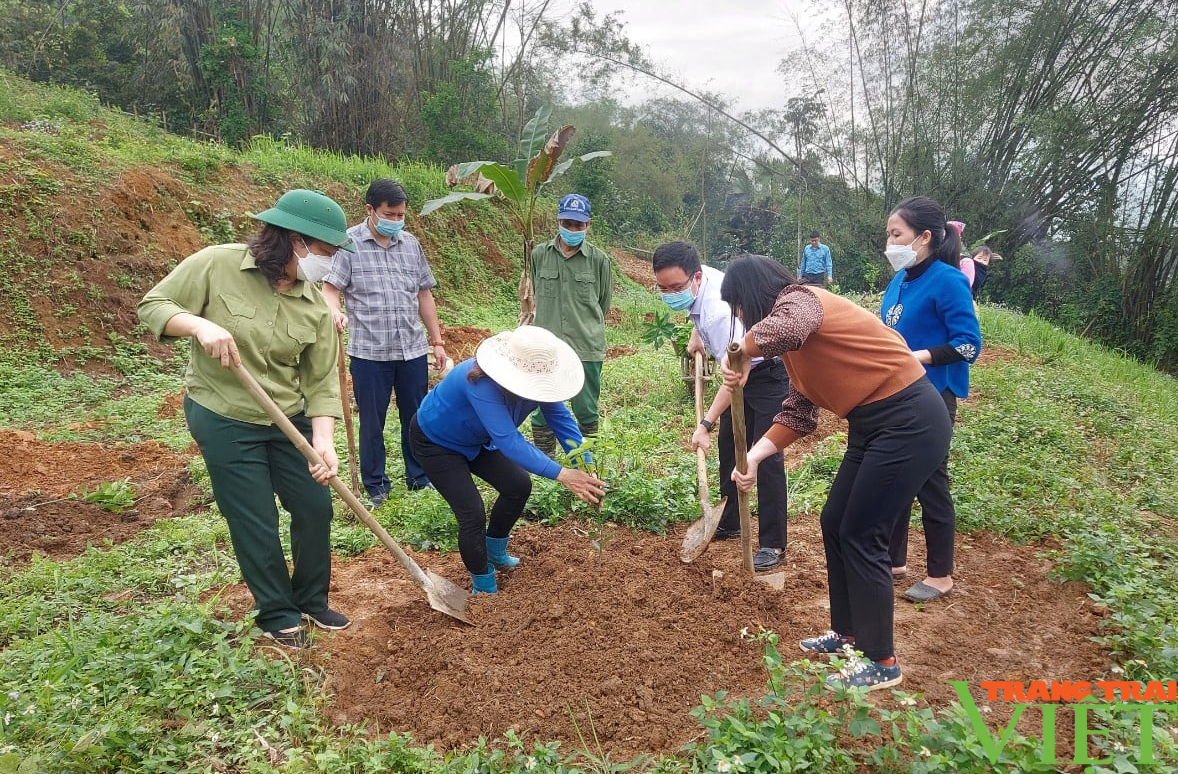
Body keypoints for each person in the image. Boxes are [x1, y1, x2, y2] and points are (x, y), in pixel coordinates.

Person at [720, 255, 951, 691]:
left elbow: (785, 328)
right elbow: (799, 414)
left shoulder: (803, 299)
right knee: (835, 522)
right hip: (872, 424)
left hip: (909, 419)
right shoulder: (796, 353)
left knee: (863, 532)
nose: (739, 318)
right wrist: (752, 457)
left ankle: (881, 659)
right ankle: (847, 634)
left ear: (752, 295)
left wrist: (743, 351)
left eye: (738, 307)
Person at [138, 189, 353, 649]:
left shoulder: (314, 305)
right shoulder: (217, 265)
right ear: (296, 241)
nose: (328, 264)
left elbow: (320, 384)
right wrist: (199, 325)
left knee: (315, 507)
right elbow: (154, 304)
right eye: (326, 252)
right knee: (255, 517)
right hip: (224, 415)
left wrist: (324, 442)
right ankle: (277, 611)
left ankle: (312, 599)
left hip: (286, 419)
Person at [410, 326, 607, 593]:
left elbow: (561, 420)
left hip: (477, 439)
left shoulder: (539, 381)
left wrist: (584, 465)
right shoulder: (480, 382)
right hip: (437, 443)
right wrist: (563, 475)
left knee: (517, 486)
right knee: (472, 513)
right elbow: (509, 441)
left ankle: (494, 549)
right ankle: (483, 581)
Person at [652, 241, 789, 571]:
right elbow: (703, 320)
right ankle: (731, 520)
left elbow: (734, 376)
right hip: (742, 367)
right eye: (663, 288)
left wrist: (705, 424)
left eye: (676, 287)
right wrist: (697, 335)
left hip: (766, 369)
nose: (670, 293)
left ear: (695, 278)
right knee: (730, 445)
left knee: (765, 453)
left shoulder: (716, 312)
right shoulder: (704, 284)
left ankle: (773, 543)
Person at [322, 179, 449, 505]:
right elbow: (331, 289)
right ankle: (376, 485)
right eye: (389, 214)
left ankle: (419, 477)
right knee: (372, 423)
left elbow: (424, 294)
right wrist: (334, 312)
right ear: (370, 210)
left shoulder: (411, 245)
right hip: (370, 353)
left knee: (417, 418)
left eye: (400, 215)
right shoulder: (348, 243)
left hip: (412, 349)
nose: (396, 220)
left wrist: (436, 341)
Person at [881, 198, 982, 603]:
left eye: (896, 235)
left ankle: (941, 574)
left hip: (934, 393)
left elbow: (968, 345)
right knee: (898, 476)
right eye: (888, 235)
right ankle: (894, 560)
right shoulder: (900, 279)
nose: (889, 243)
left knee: (930, 481)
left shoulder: (948, 280)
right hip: (899, 391)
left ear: (924, 237)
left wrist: (916, 356)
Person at [529, 193, 613, 454]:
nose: (572, 230)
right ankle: (546, 463)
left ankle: (590, 465)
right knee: (543, 403)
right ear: (558, 221)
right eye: (567, 224)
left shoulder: (599, 260)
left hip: (585, 343)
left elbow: (603, 302)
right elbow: (533, 294)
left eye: (578, 225)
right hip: (546, 346)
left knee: (585, 406)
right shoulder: (539, 255)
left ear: (588, 225)